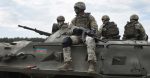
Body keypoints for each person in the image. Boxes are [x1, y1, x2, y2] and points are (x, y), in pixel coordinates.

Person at [58, 2, 98, 73]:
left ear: (81, 8)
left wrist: (90, 31)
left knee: (90, 40)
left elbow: (94, 28)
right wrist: (75, 30)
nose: (75, 9)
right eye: (75, 8)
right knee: (66, 40)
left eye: (76, 8)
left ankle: (91, 65)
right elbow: (68, 31)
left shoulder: (90, 17)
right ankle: (67, 63)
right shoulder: (74, 19)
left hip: (87, 36)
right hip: (77, 37)